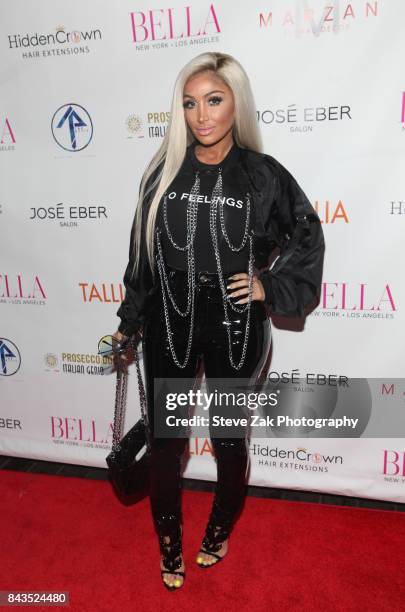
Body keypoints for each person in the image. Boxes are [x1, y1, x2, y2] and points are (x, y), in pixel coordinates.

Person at [112, 51, 325, 591]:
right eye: (190, 103)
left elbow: (306, 234)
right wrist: (129, 321)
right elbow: (142, 258)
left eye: (214, 100)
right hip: (169, 324)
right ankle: (167, 539)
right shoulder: (160, 172)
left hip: (236, 326)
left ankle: (219, 529)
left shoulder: (263, 175)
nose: (201, 115)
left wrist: (267, 286)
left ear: (236, 103)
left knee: (228, 439)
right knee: (166, 442)